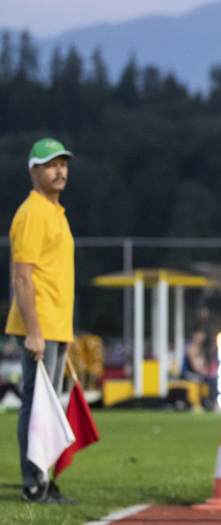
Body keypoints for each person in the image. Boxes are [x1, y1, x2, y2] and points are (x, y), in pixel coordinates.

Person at [5, 138, 76, 504]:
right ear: (33, 171)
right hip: (39, 327)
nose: (59, 170)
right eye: (50, 164)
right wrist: (34, 331)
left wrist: (65, 332)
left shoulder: (54, 212)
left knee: (50, 407)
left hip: (55, 326)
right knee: (36, 405)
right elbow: (22, 277)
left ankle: (43, 478)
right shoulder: (32, 213)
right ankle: (34, 484)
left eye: (63, 163)